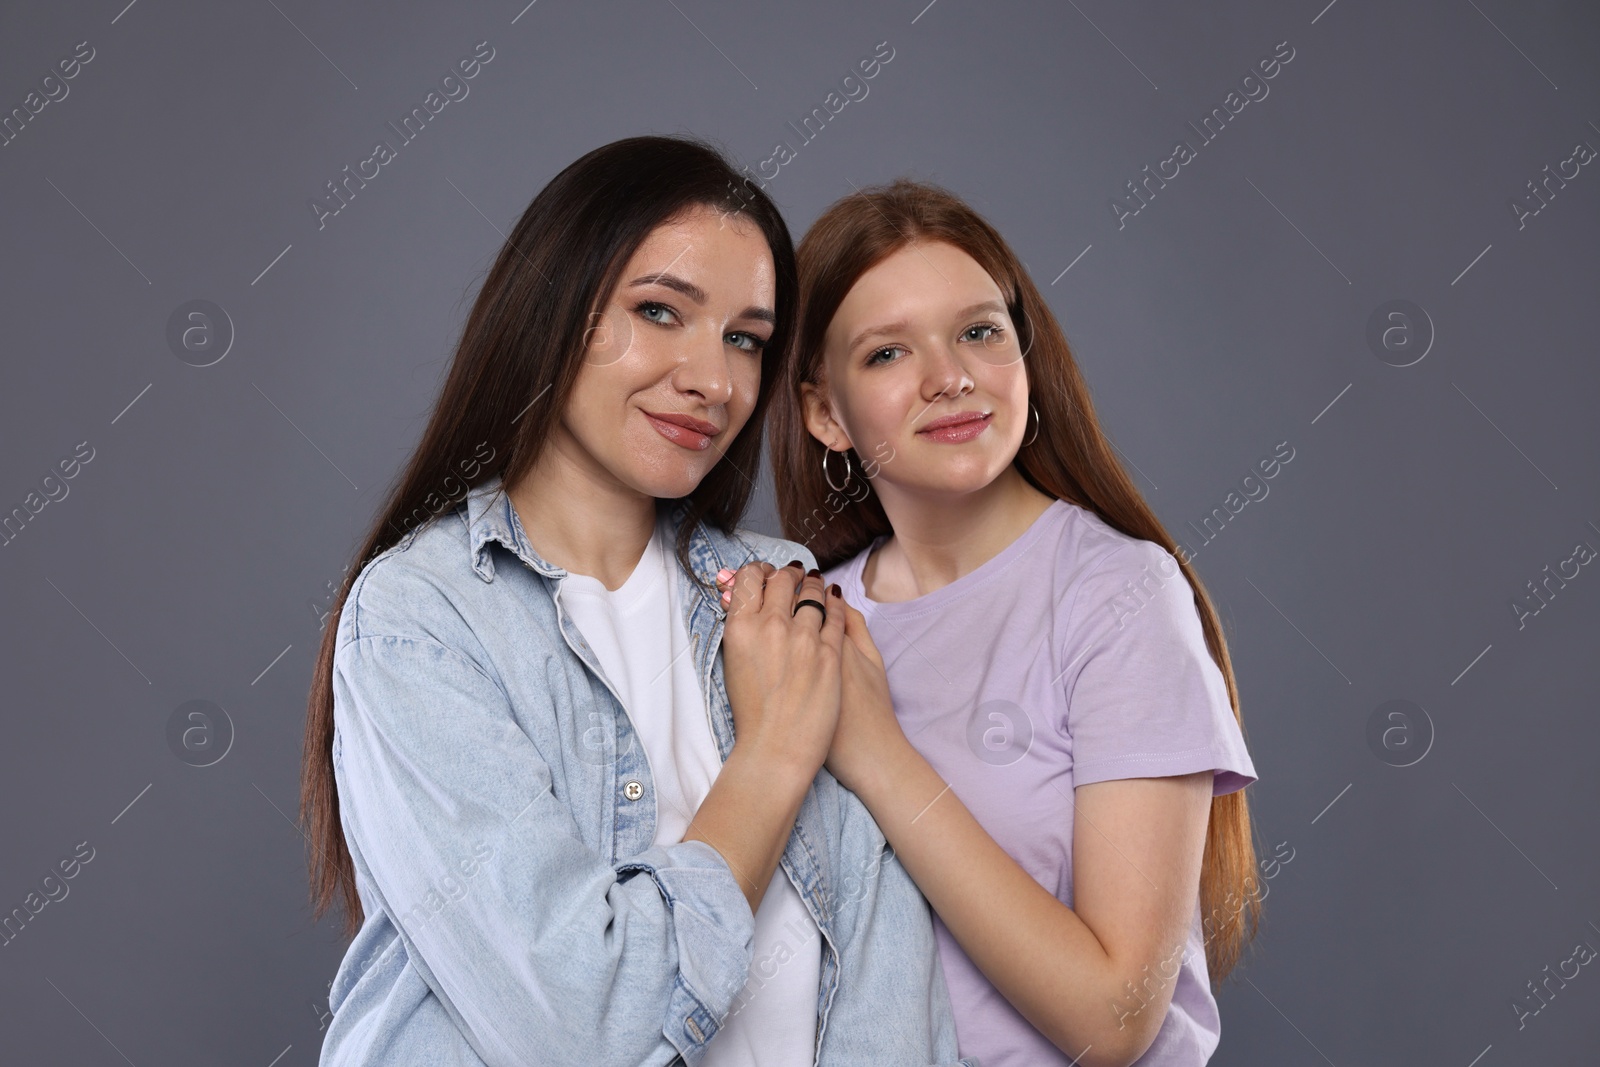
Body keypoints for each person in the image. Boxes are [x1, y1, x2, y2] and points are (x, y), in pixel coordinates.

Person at [299, 138, 973, 1067]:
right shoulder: (424, 617)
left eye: (746, 338)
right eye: (660, 312)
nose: (714, 380)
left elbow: (887, 988)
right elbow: (579, 1030)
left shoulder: (783, 592)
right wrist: (773, 755)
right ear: (555, 311)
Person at [749, 178, 1262, 1067]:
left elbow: (1116, 1018)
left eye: (979, 331)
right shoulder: (804, 616)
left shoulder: (1118, 593)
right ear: (823, 411)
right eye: (887, 354)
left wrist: (876, 750)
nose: (950, 377)